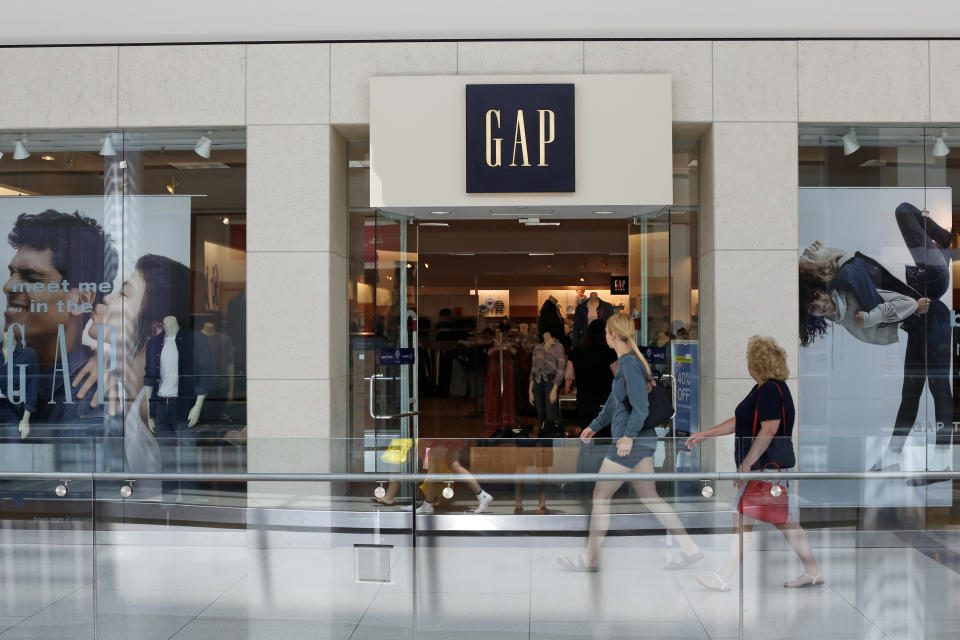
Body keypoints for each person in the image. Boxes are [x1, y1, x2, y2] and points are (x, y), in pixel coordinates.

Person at [798, 203, 953, 470]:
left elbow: (881, 308)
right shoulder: (848, 275)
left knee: (924, 389)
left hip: (926, 298)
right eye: (808, 257)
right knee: (924, 389)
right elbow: (882, 309)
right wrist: (907, 309)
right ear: (822, 272)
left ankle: (925, 459)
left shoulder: (845, 276)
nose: (810, 248)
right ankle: (927, 459)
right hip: (928, 297)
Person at [557, 313, 702, 572]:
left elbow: (640, 407)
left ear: (612, 334)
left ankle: (589, 559)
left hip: (630, 444)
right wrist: (594, 426)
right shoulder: (628, 363)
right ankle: (690, 547)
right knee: (650, 496)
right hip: (640, 443)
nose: (605, 337)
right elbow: (615, 405)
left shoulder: (629, 365)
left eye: (606, 333)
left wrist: (627, 437)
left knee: (600, 496)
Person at [687, 336, 824, 591]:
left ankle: (724, 577)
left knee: (744, 519)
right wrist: (706, 434)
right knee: (783, 520)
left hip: (766, 468)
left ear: (757, 365)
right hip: (769, 468)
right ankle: (813, 570)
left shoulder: (771, 390)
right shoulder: (763, 388)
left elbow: (769, 429)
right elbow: (740, 420)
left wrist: (746, 464)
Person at [3, 211, 119, 468]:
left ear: (81, 300)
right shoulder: (15, 375)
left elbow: (66, 506)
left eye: (31, 278)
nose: (9, 286)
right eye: (12, 273)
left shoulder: (87, 412)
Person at [89, 254, 193, 478]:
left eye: (124, 294)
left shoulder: (155, 404)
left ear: (156, 330)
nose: (107, 298)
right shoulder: (132, 389)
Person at [405, 440, 493, 514]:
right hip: (451, 434)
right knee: (453, 464)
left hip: (441, 434)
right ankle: (482, 495)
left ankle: (427, 504)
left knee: (433, 465)